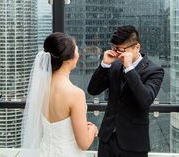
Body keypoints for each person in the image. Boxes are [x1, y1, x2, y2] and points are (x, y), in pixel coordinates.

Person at [87, 25, 164, 157]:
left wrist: (129, 68)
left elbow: (145, 100)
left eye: (121, 50)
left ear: (137, 47)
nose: (116, 53)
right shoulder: (114, 65)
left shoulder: (154, 71)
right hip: (107, 139)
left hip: (134, 143)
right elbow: (93, 90)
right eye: (114, 48)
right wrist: (105, 65)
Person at [21, 32, 98, 157]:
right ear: (68, 60)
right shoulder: (75, 94)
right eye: (77, 50)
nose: (78, 54)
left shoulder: (40, 88)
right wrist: (93, 129)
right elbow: (84, 144)